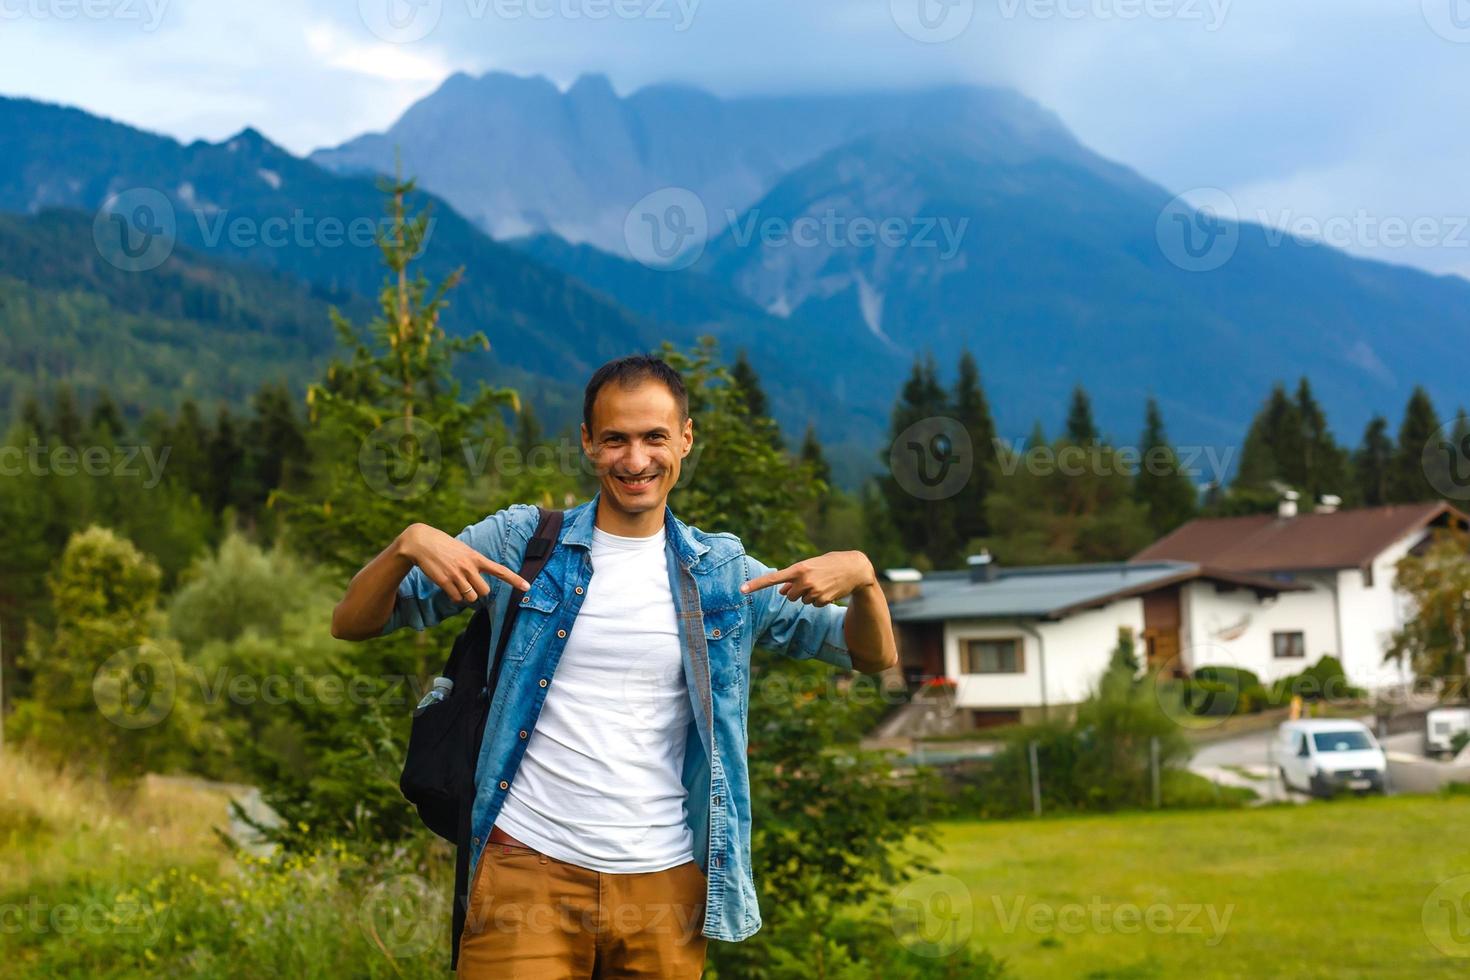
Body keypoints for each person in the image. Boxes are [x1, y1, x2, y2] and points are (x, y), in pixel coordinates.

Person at [332, 353, 898, 978]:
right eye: (615, 440)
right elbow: (355, 622)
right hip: (526, 869)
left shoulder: (724, 575)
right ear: (586, 443)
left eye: (655, 437)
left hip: (665, 885)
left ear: (685, 437)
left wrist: (866, 579)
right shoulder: (523, 543)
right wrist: (405, 543)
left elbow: (871, 655)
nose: (635, 461)